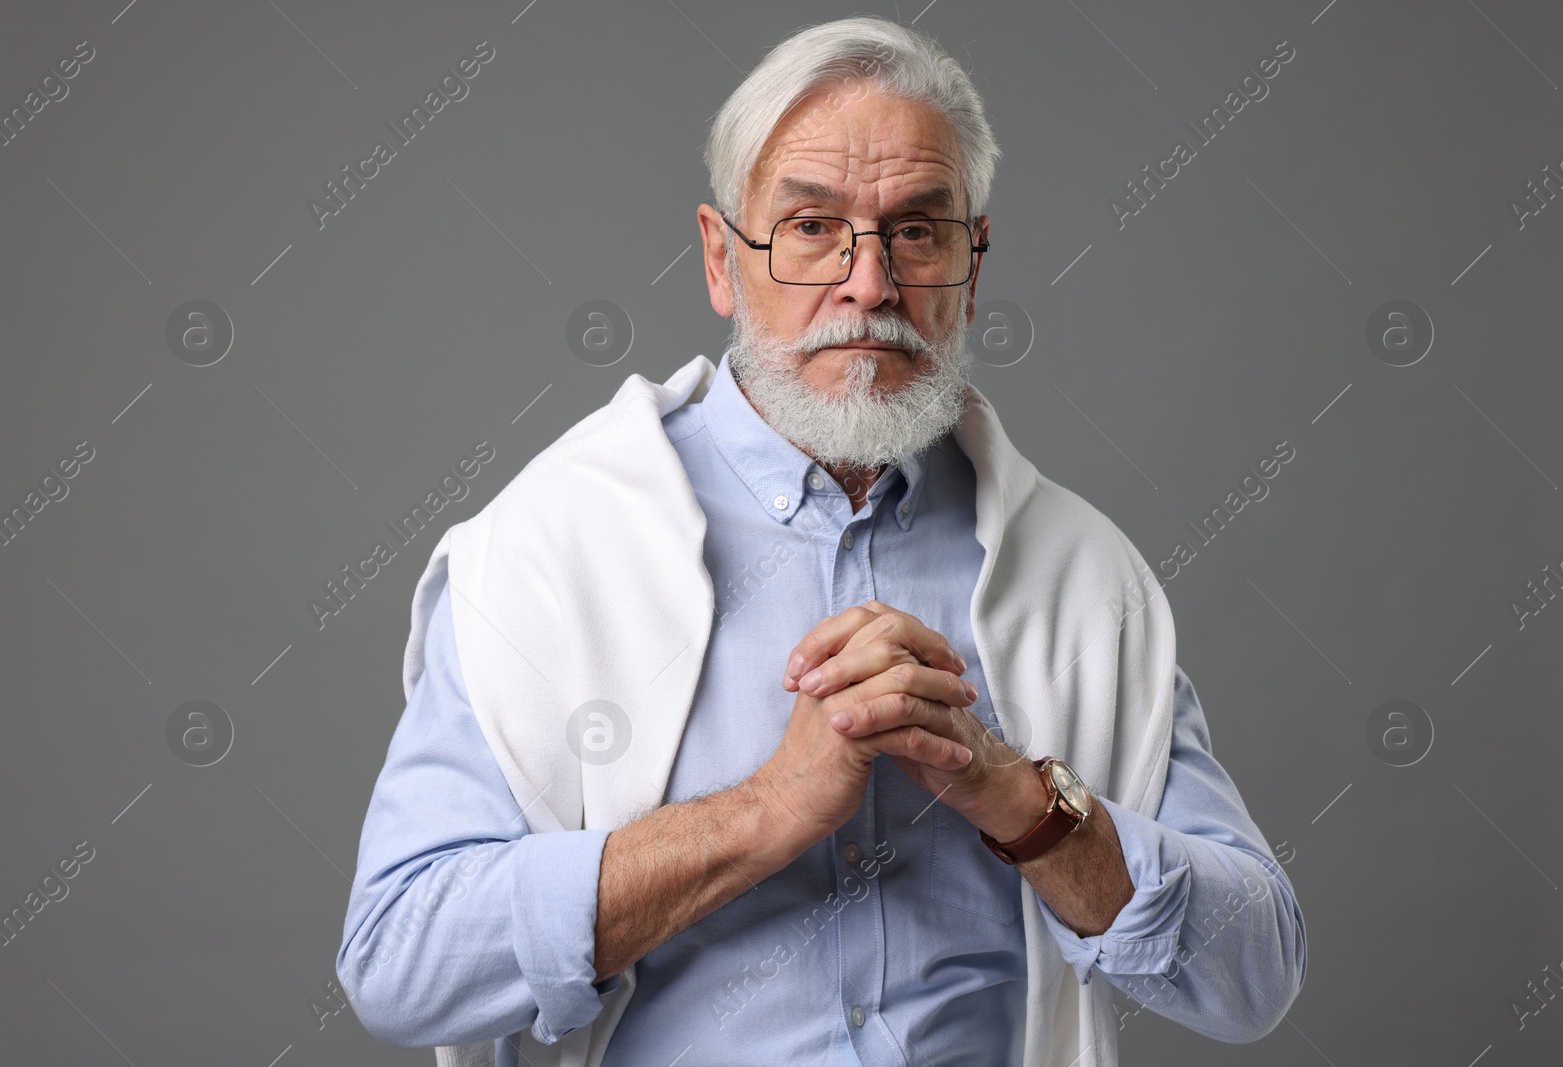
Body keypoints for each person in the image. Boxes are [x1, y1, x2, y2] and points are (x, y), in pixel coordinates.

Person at [337, 15, 1306, 1067]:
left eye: (917, 231)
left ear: (971, 266)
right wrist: (765, 810)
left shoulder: (1079, 572)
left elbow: (1252, 972)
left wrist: (1022, 801)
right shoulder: (546, 550)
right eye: (811, 227)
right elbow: (401, 959)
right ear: (721, 258)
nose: (869, 283)